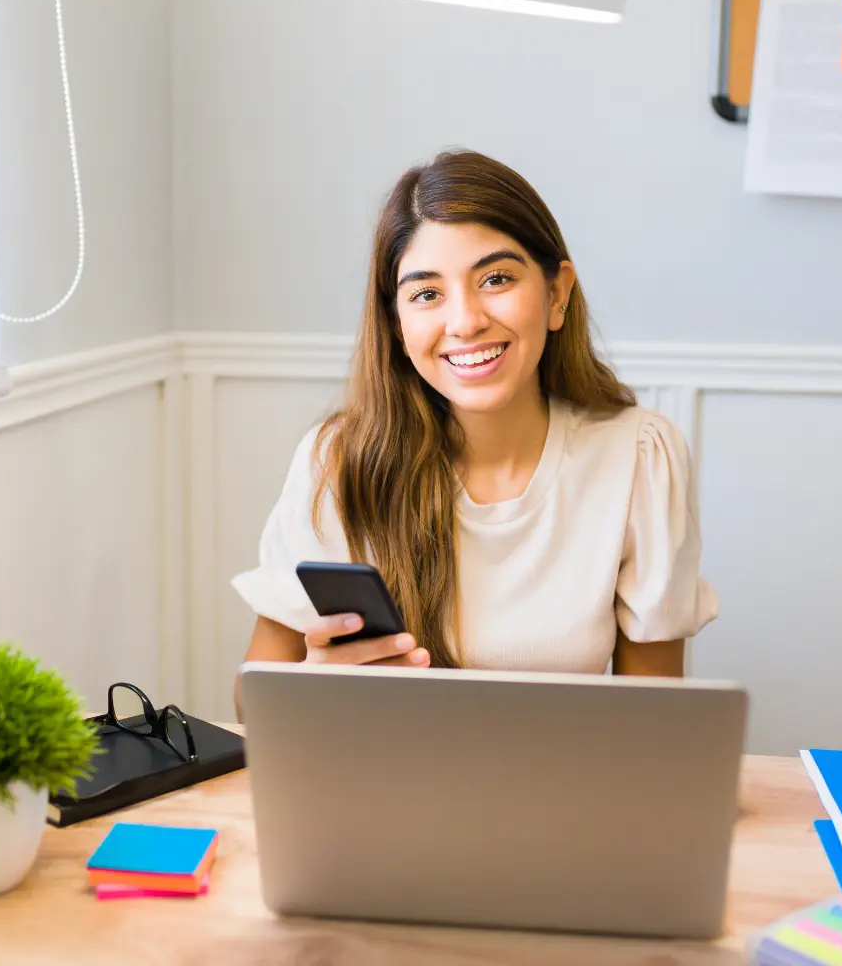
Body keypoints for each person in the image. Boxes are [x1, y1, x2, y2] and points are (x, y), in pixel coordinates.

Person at [231, 150, 717, 712]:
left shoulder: (639, 457)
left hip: (560, 792)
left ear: (557, 294)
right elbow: (253, 705)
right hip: (385, 788)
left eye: (496, 278)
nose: (465, 321)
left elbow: (652, 724)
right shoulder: (337, 462)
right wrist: (307, 689)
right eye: (426, 294)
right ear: (397, 322)